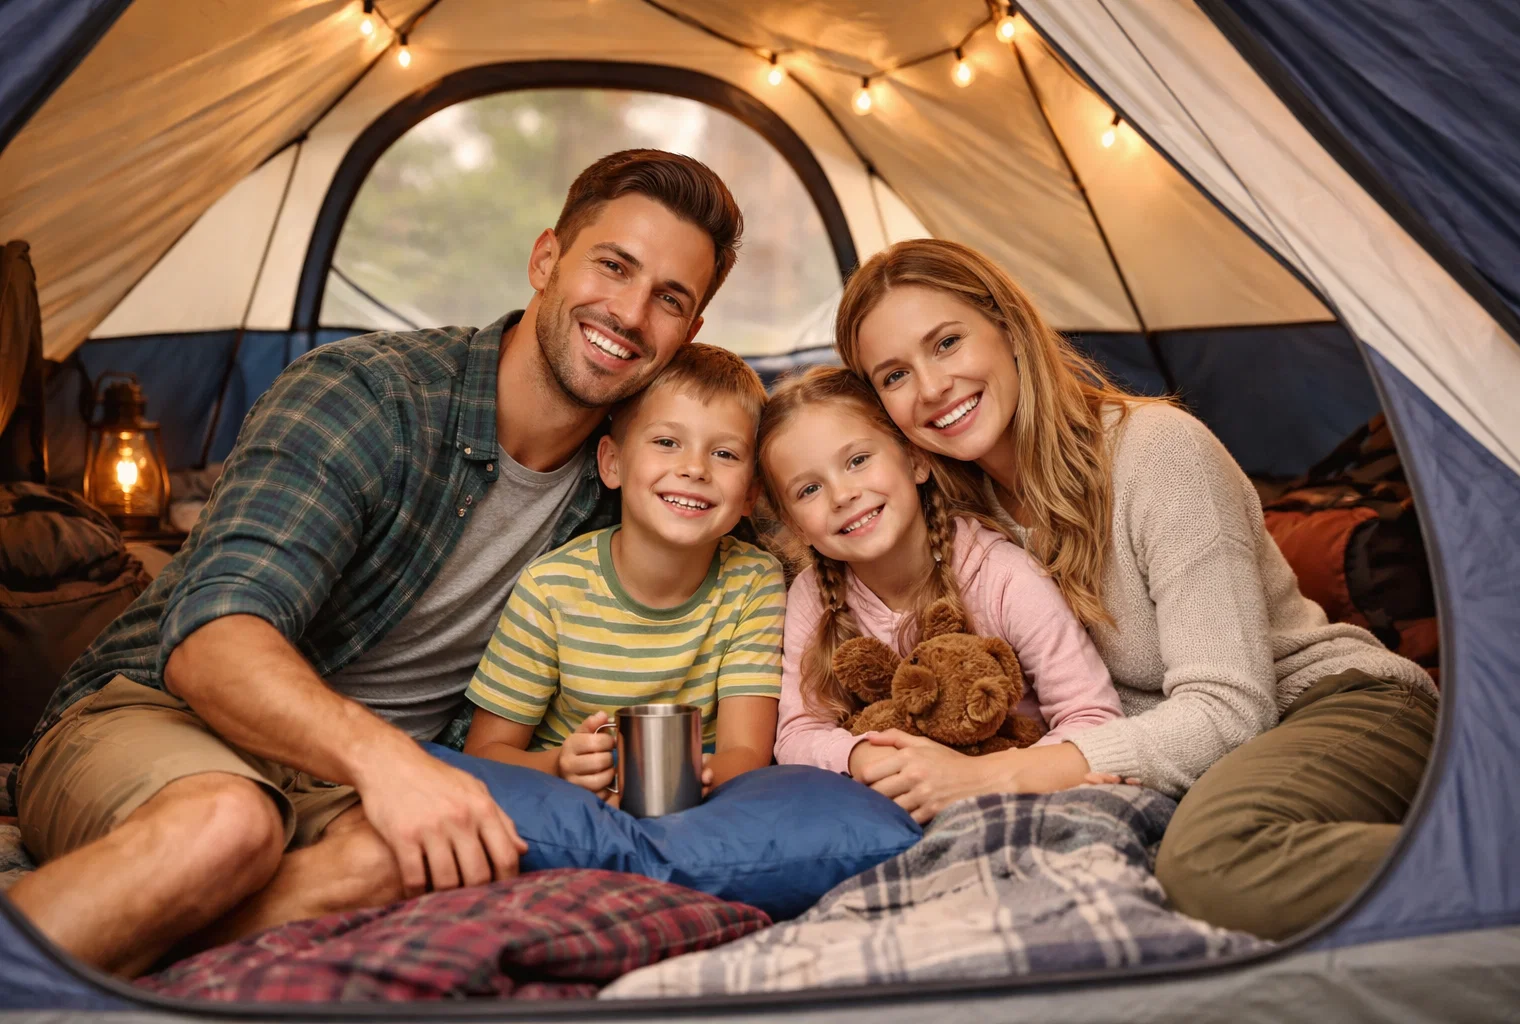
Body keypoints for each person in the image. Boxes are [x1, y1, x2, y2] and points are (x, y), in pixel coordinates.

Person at [7, 149, 744, 976]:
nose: (632, 313)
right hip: (162, 714)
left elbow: (806, 511)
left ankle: (131, 953)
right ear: (545, 259)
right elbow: (212, 639)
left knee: (417, 864)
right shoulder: (366, 394)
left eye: (670, 299)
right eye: (614, 266)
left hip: (360, 789)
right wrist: (388, 762)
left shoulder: (637, 478)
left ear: (690, 334)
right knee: (228, 826)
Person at [829, 237, 1438, 941]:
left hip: (1327, 704)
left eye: (947, 342)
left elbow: (1232, 707)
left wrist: (1002, 776)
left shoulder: (1157, 451)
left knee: (1214, 865)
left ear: (1009, 329)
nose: (931, 387)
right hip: (1183, 755)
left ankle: (1500, 860)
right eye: (894, 375)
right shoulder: (954, 518)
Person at [758, 365, 1123, 814]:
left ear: (916, 460)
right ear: (795, 525)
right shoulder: (814, 594)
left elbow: (1095, 718)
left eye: (857, 461)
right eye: (810, 489)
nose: (841, 495)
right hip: (898, 808)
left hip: (1013, 798)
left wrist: (985, 778)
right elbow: (796, 734)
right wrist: (860, 756)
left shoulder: (1000, 575)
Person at [461, 344, 783, 795]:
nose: (694, 468)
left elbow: (745, 755)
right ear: (612, 463)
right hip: (570, 806)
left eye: (725, 454)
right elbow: (485, 754)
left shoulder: (754, 581)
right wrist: (558, 765)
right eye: (667, 442)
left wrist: (680, 785)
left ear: (751, 495)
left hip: (698, 805)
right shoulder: (551, 589)